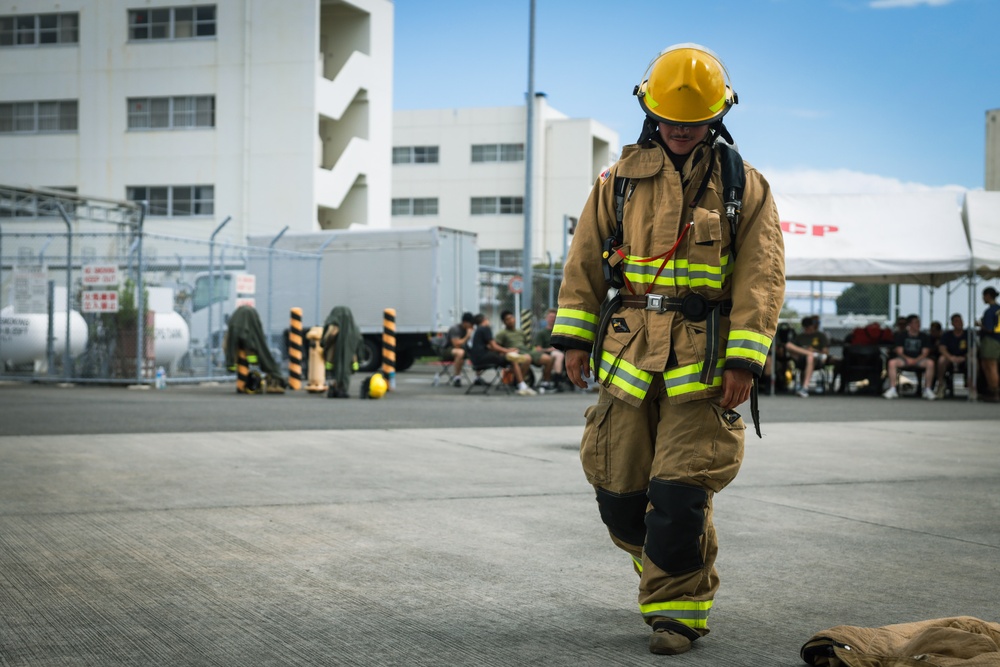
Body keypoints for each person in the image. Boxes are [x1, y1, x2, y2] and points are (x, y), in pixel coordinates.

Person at [551, 44, 785, 655]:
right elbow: (582, 262)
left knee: (680, 497)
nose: (681, 129)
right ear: (649, 110)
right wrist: (574, 338)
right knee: (620, 499)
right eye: (671, 118)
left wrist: (744, 361)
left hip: (702, 365)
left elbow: (761, 279)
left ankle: (677, 614)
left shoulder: (744, 187)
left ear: (718, 115)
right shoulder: (616, 183)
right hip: (628, 358)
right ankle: (658, 560)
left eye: (694, 120)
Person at [469, 313, 535, 396]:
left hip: (476, 359)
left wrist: (506, 351)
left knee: (507, 358)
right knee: (512, 359)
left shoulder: (478, 330)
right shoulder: (485, 329)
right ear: (484, 320)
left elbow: (490, 346)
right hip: (483, 358)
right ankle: (521, 385)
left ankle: (517, 382)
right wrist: (508, 351)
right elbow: (493, 346)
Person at [495, 309, 556, 390]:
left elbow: (526, 344)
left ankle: (545, 383)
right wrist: (507, 351)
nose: (510, 321)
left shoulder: (520, 332)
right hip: (515, 352)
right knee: (527, 358)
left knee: (549, 359)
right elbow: (496, 347)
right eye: (507, 319)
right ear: (504, 322)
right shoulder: (502, 333)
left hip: (526, 350)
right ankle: (520, 383)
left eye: (511, 318)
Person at [883, 314, 935, 400]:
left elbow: (925, 352)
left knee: (930, 363)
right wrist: (908, 359)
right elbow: (899, 351)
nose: (918, 324)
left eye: (919, 322)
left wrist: (916, 360)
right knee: (892, 363)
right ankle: (892, 389)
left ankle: (927, 389)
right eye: (916, 322)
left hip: (919, 360)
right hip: (904, 359)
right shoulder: (902, 335)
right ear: (909, 324)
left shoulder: (924, 336)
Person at [783, 316, 829, 398]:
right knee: (788, 345)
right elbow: (790, 348)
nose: (808, 330)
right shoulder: (800, 337)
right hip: (801, 359)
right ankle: (808, 353)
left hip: (817, 359)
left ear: (813, 326)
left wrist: (813, 350)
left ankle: (805, 387)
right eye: (806, 328)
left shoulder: (820, 335)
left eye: (809, 327)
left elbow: (825, 352)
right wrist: (804, 351)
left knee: (810, 357)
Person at [935, 313, 968, 398]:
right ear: (952, 323)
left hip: (964, 358)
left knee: (973, 361)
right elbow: (942, 348)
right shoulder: (947, 335)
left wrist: (964, 357)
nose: (959, 323)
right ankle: (941, 384)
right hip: (949, 358)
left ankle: (972, 385)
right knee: (941, 360)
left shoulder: (968, 335)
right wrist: (950, 357)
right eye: (957, 321)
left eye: (961, 321)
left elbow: (973, 349)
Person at [534, 307, 566, 389]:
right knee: (557, 355)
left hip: (562, 352)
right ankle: (557, 381)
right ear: (546, 318)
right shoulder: (541, 333)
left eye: (554, 317)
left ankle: (558, 380)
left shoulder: (560, 332)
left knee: (559, 354)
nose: (552, 319)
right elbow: (538, 349)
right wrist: (549, 349)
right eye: (550, 317)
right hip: (548, 353)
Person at [442, 312, 475, 387]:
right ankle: (457, 377)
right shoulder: (455, 329)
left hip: (463, 349)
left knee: (478, 351)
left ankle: (478, 378)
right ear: (465, 322)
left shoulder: (469, 329)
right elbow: (456, 344)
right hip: (448, 349)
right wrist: (467, 336)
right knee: (460, 353)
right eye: (471, 324)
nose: (472, 326)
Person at [979, 287, 1000, 402]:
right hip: (998, 339)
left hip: (990, 340)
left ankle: (994, 391)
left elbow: (989, 328)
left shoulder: (990, 311)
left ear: (988, 296)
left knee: (990, 366)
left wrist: (980, 325)